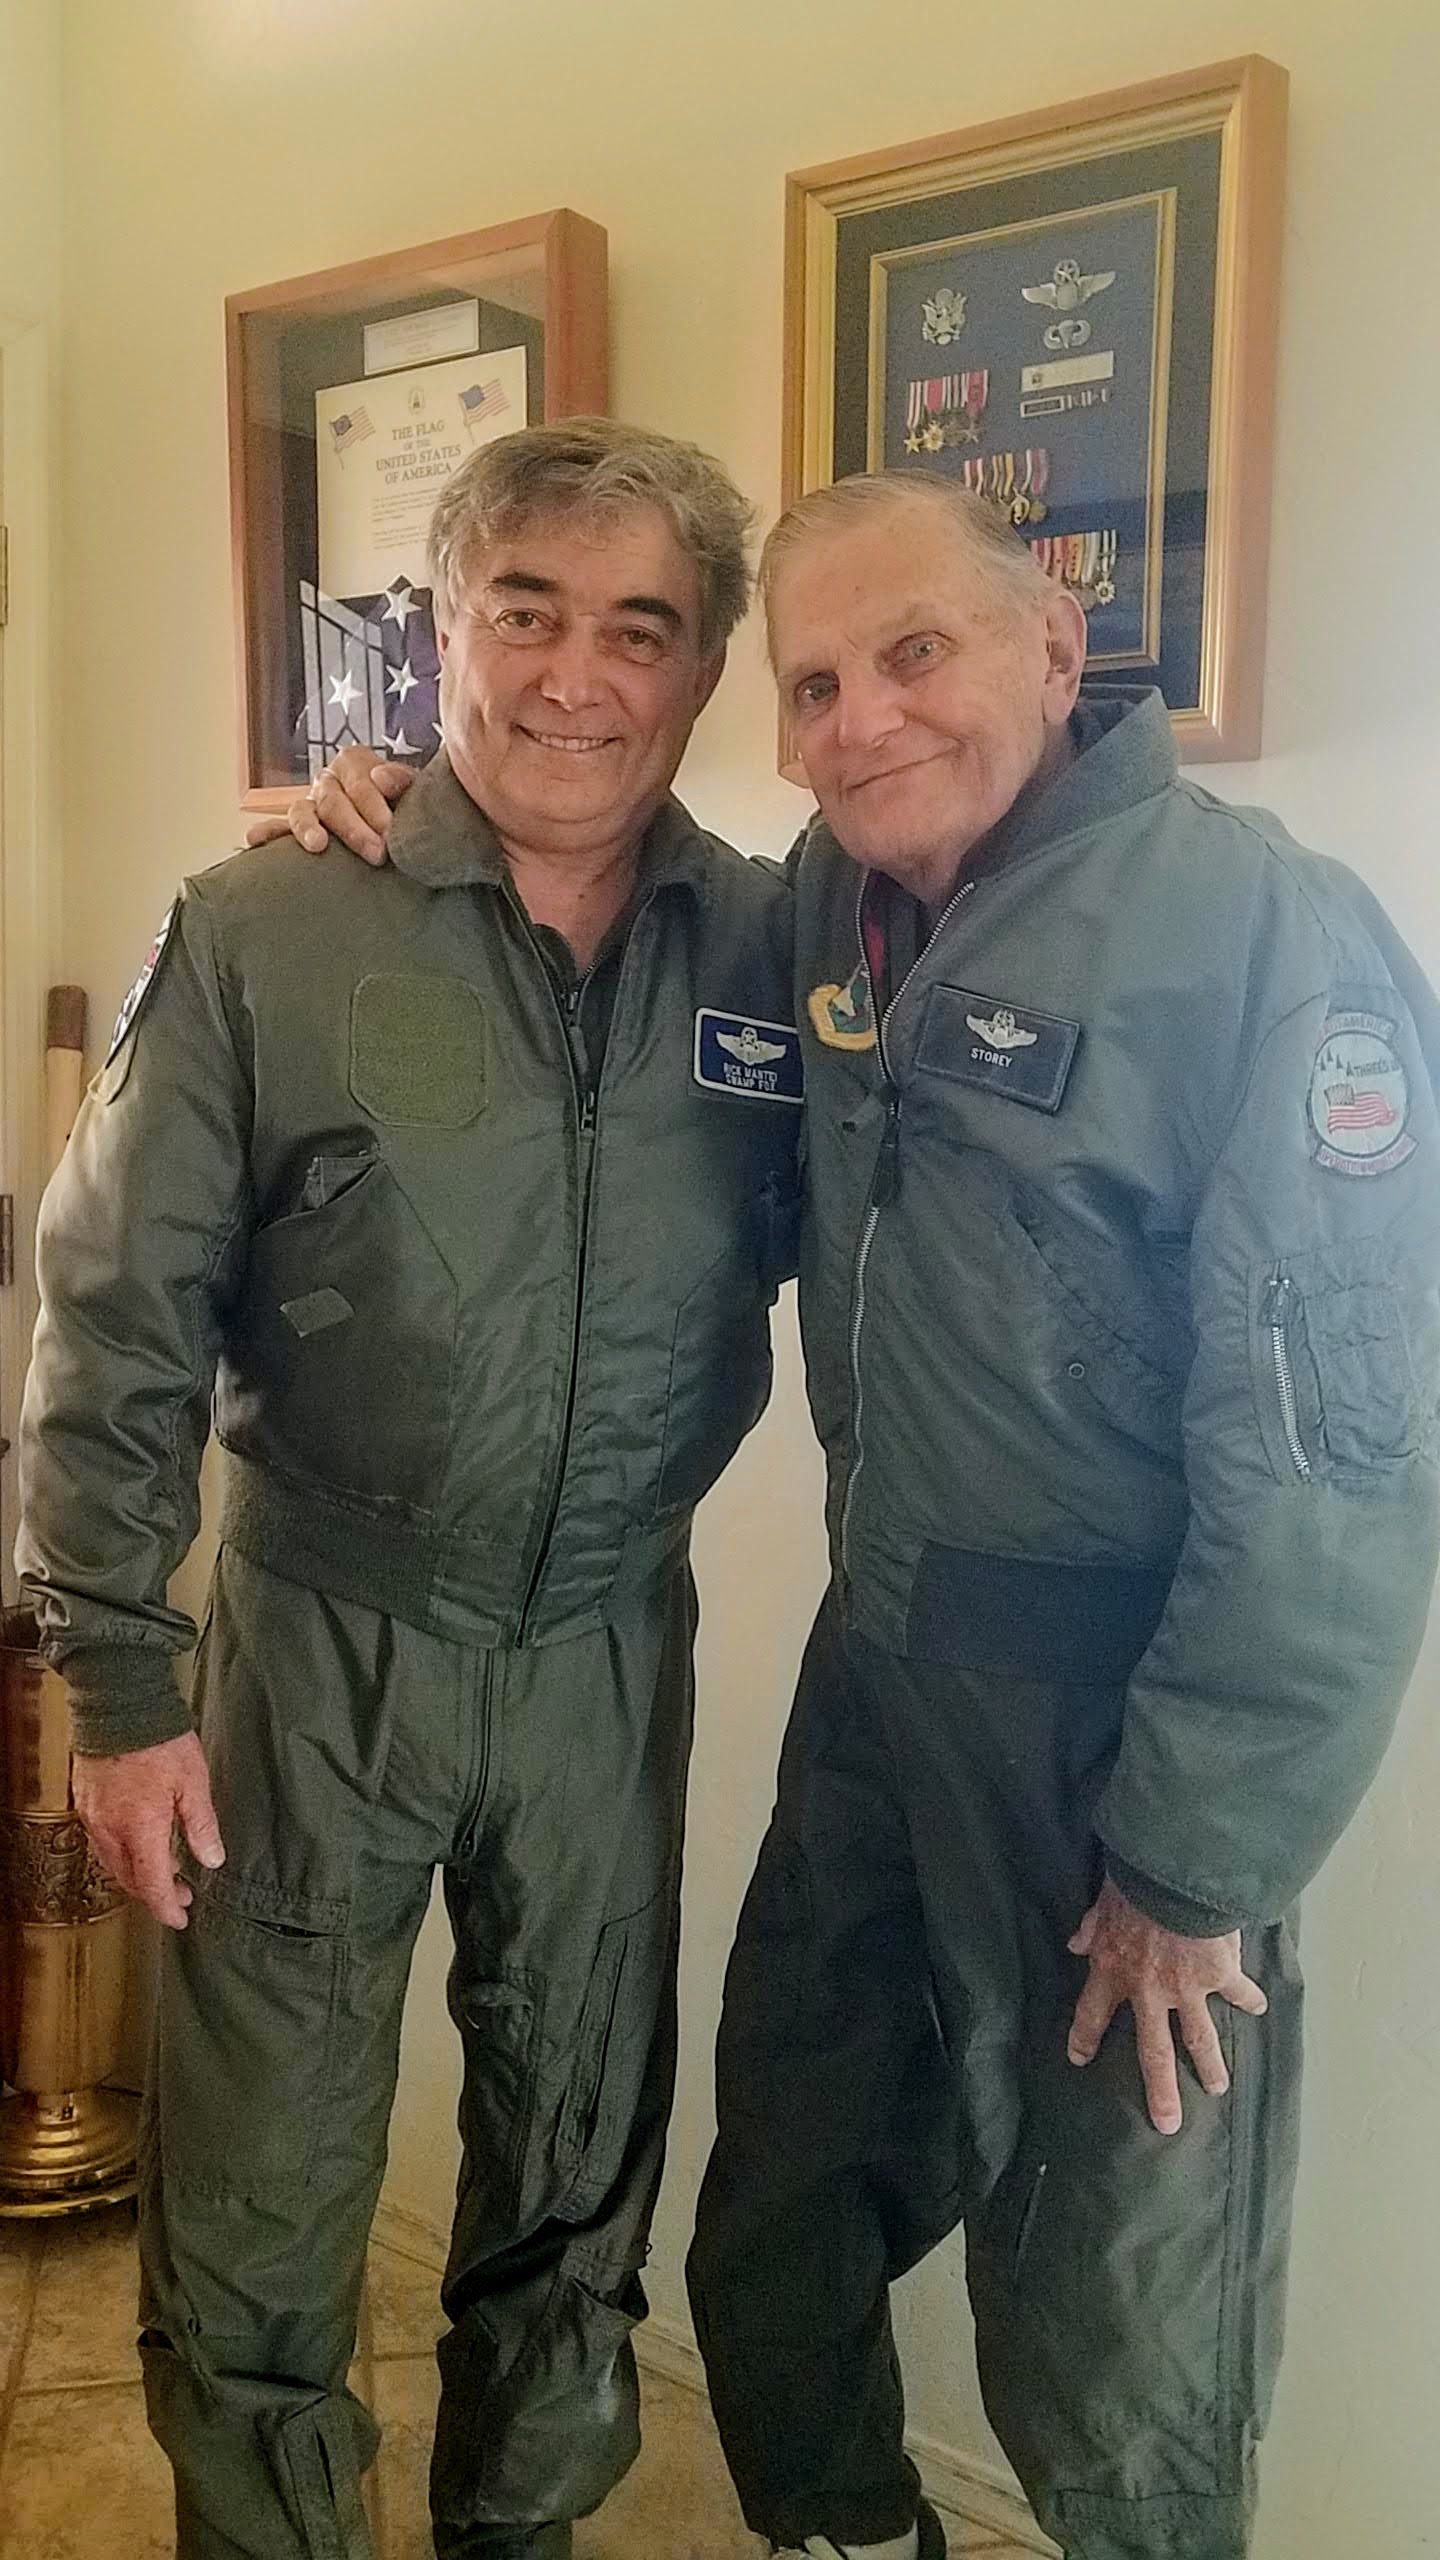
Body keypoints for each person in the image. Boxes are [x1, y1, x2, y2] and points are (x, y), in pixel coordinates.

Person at [292, 474, 1440, 2560]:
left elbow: (1341, 1455)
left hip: (1126, 1739)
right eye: (814, 682)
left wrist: (1198, 1855)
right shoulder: (823, 902)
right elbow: (588, 889)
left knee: (1117, 2330)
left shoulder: (1266, 938)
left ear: (1053, 645)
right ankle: (845, 2531)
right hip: (879, 1673)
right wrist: (387, 810)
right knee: (786, 2197)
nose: (861, 720)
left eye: (915, 654)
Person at [16, 418, 801, 2560]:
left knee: (574, 2170)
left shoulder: (778, 947)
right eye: (524, 610)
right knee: (261, 2189)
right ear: (440, 628)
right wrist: (117, 1682)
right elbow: (113, 1316)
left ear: (703, 664)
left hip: (606, 1650)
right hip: (316, 1647)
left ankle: (516, 2532)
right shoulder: (268, 925)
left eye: (638, 626)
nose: (574, 675)